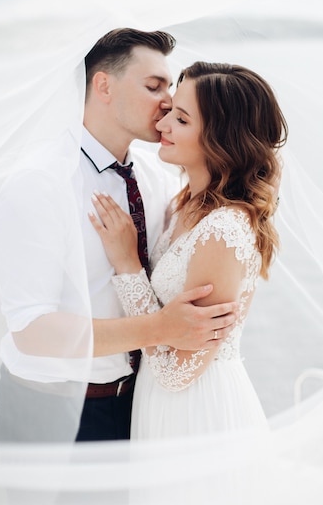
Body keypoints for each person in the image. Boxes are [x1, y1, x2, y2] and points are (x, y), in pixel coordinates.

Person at [0, 30, 239, 445]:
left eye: (169, 86)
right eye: (153, 86)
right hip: (51, 412)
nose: (168, 100)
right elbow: (31, 330)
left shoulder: (157, 179)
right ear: (103, 85)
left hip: (142, 407)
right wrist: (160, 328)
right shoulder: (41, 182)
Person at [89, 60, 288, 438]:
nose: (162, 125)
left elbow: (177, 371)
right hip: (158, 403)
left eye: (181, 120)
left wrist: (128, 265)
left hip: (197, 414)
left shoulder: (225, 229)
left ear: (221, 138)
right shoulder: (184, 203)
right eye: (169, 113)